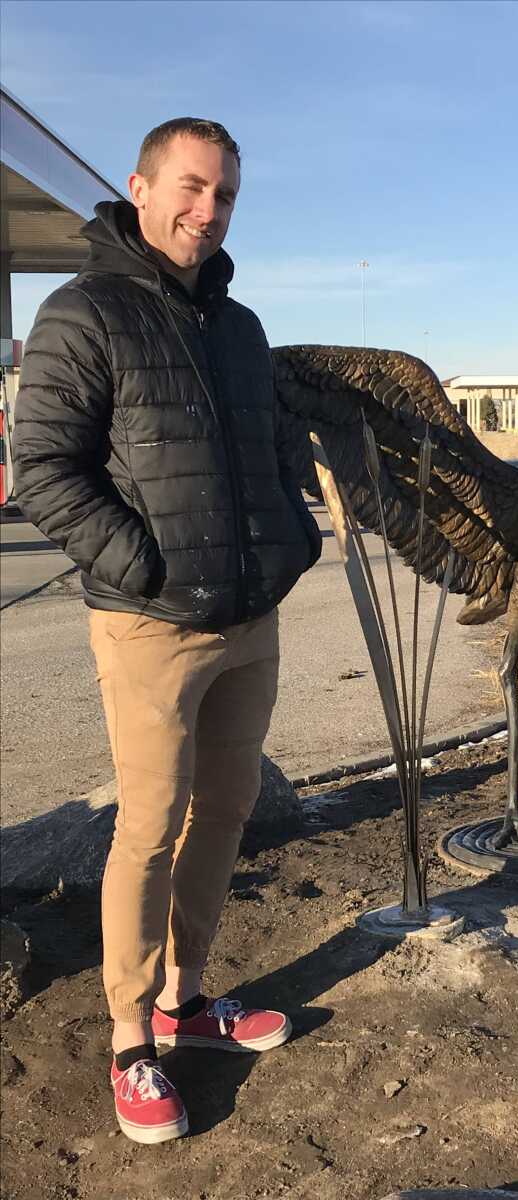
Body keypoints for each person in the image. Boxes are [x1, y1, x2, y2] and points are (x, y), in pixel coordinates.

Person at [12, 118, 322, 1144]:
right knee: (147, 827)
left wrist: (292, 542)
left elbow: (277, 444)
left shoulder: (238, 326)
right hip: (150, 625)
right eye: (191, 188)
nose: (207, 210)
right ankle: (129, 1042)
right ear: (141, 189)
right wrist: (140, 565)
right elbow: (46, 468)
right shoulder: (84, 312)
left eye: (225, 194)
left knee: (226, 808)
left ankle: (187, 999)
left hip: (250, 616)